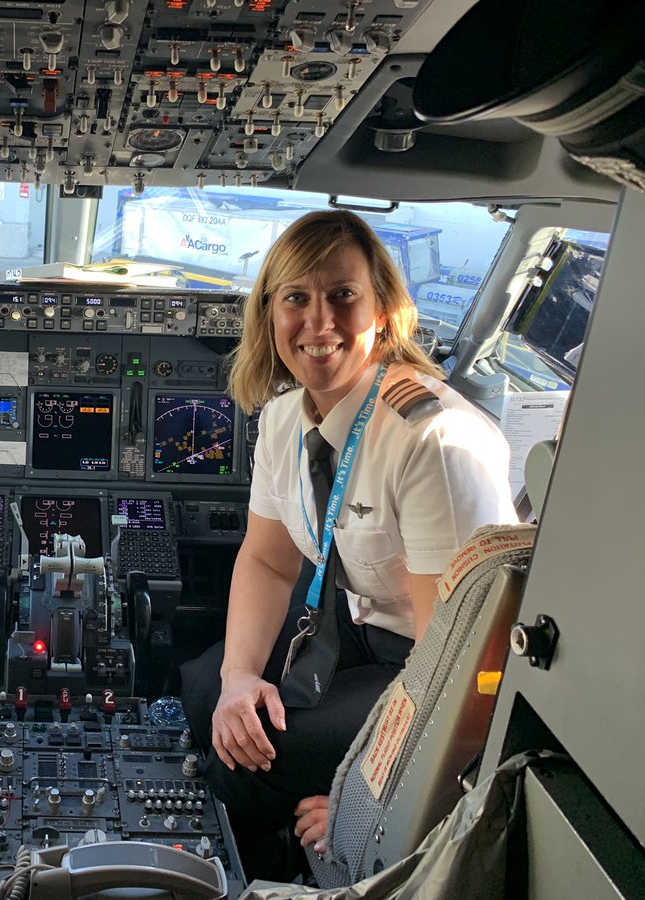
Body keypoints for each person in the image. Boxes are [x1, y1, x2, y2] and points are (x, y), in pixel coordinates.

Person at [180, 211, 517, 879]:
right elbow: (268, 561)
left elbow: (460, 665)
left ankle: (301, 855)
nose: (319, 322)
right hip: (348, 625)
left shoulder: (431, 441)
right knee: (202, 690)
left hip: (425, 664)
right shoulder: (282, 418)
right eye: (296, 299)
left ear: (385, 310)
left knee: (251, 758)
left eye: (342, 295)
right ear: (269, 315)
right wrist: (238, 679)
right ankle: (283, 817)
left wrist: (379, 801)